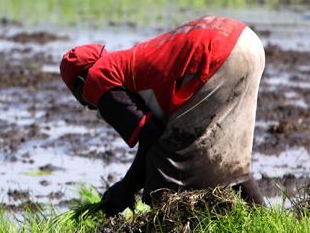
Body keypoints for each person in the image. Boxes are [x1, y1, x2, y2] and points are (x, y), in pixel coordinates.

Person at [59, 16, 266, 215]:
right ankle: (262, 218)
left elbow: (150, 135)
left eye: (76, 93)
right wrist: (128, 185)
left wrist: (127, 187)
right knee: (227, 154)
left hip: (218, 54)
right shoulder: (126, 65)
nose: (86, 105)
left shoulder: (98, 79)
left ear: (80, 81)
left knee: (165, 175)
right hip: (245, 40)